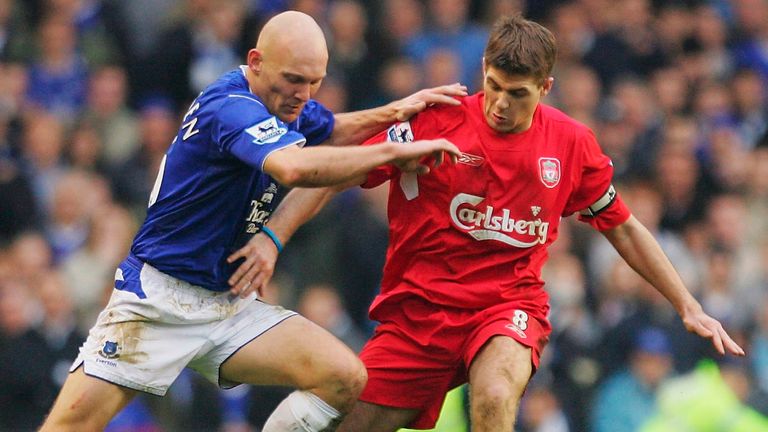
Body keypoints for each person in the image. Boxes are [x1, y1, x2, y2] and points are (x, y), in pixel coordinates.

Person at [256, 14, 745, 431]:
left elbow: (622, 225)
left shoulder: (571, 145)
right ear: (483, 69)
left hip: (507, 308)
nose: (500, 104)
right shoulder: (434, 120)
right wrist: (273, 239)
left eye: (517, 93)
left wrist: (687, 304)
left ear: (545, 88)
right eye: (493, 86)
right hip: (419, 319)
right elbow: (331, 177)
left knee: (493, 394)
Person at [40, 11, 465, 432]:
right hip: (158, 303)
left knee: (344, 377)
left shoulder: (281, 103)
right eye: (295, 80)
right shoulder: (230, 106)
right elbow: (294, 168)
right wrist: (393, 153)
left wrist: (395, 111)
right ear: (256, 61)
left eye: (314, 82)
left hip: (227, 304)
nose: (304, 94)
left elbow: (331, 129)